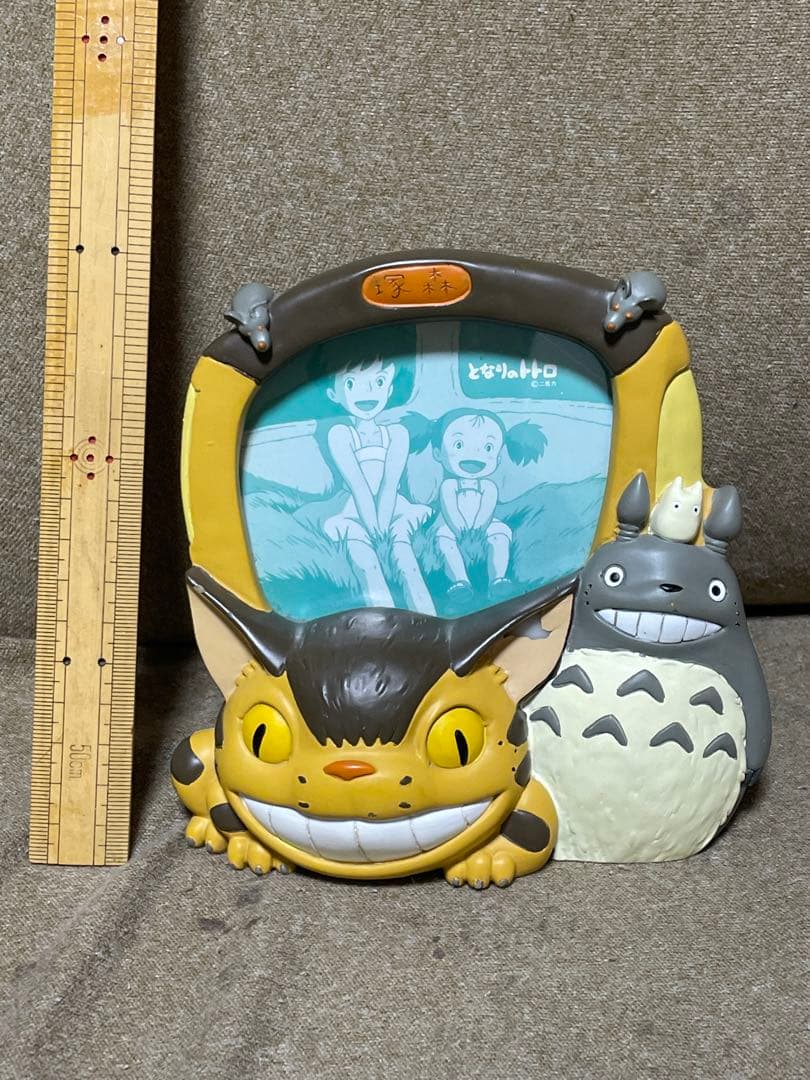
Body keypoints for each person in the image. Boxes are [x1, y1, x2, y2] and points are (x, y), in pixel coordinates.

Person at [319, 356, 435, 613]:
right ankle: (385, 618)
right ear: (333, 394)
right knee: (366, 560)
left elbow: (390, 483)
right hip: (355, 509)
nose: (368, 391)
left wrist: (383, 524)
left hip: (395, 506)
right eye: (351, 384)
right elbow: (358, 485)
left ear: (389, 389)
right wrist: (373, 527)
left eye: (379, 382)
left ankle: (427, 617)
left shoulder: (397, 433)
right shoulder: (340, 434)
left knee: (406, 559)